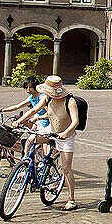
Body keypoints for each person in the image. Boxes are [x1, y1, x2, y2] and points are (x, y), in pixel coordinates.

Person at [16, 75, 79, 210]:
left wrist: (65, 133)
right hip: (51, 130)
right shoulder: (47, 98)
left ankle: (71, 199)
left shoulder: (70, 101)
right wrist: (20, 120)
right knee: (32, 140)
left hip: (65, 135)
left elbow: (75, 121)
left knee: (66, 168)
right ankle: (30, 166)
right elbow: (34, 109)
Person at [0, 77, 49, 154]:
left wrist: (21, 121)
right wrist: (2, 110)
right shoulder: (31, 98)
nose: (28, 89)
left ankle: (29, 161)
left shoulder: (42, 97)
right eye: (26, 87)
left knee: (45, 150)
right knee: (31, 142)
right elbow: (17, 106)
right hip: (40, 122)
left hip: (48, 124)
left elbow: (48, 113)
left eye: (30, 87)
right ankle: (29, 162)